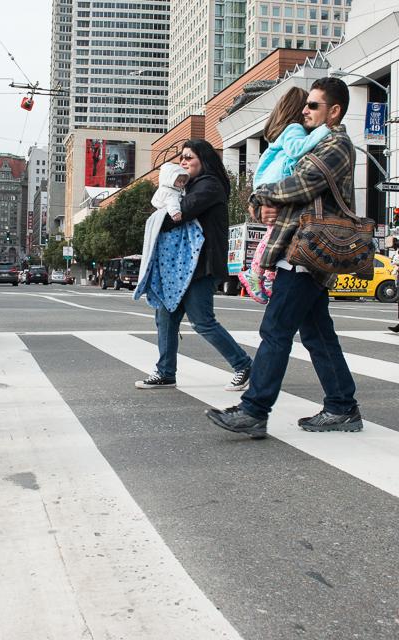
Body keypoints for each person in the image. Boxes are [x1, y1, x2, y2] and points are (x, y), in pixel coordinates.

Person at [206, 77, 363, 438]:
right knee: (317, 334)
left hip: (306, 252)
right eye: (306, 104)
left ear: (334, 111)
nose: (304, 111)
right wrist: (262, 204)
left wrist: (262, 196)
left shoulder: (336, 143)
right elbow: (286, 186)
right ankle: (342, 406)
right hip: (297, 248)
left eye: (313, 106)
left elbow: (302, 184)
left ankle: (254, 410)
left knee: (275, 330)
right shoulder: (312, 143)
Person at [134, 140, 252, 391]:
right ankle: (165, 372)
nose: (183, 162)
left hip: (201, 265)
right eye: (182, 158)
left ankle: (243, 365)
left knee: (202, 321)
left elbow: (176, 216)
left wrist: (165, 210)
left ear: (204, 160)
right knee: (165, 317)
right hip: (180, 265)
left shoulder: (209, 185)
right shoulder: (189, 186)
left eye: (189, 157)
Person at [238, 88, 330, 304]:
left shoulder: (283, 132)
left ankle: (264, 275)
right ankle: (259, 273)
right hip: (276, 185)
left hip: (268, 185)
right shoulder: (294, 129)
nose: (309, 110)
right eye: (307, 106)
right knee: (274, 235)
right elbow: (298, 149)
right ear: (298, 110)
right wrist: (326, 129)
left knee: (273, 234)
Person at [134, 161, 204, 313]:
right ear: (168, 179)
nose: (181, 183)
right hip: (172, 227)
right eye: (178, 180)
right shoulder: (169, 192)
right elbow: (172, 203)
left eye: (183, 181)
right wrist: (175, 213)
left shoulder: (171, 190)